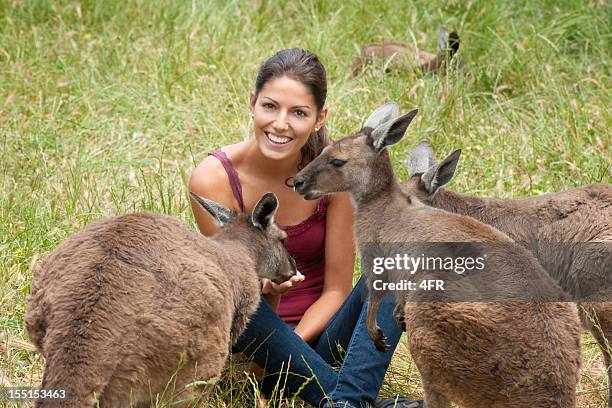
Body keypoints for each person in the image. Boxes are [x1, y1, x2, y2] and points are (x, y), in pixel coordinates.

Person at [189, 48, 423, 408]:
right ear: (252, 103)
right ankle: (352, 398)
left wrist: (296, 355)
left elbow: (335, 290)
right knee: (234, 294)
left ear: (319, 117)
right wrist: (271, 293)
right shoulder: (213, 180)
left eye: (298, 113)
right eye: (270, 106)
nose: (281, 124)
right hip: (253, 344)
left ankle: (344, 400)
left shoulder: (334, 172)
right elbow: (235, 302)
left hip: (323, 339)